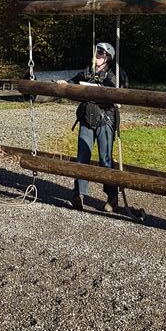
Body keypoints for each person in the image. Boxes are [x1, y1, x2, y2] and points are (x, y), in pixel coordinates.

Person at [65, 42, 128, 214]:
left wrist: (109, 92)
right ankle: (78, 194)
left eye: (100, 53)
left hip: (105, 120)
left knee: (105, 160)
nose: (96, 56)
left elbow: (122, 90)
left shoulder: (115, 73)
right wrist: (64, 84)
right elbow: (72, 82)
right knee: (82, 156)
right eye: (95, 52)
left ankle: (112, 198)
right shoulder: (87, 71)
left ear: (107, 56)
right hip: (87, 118)